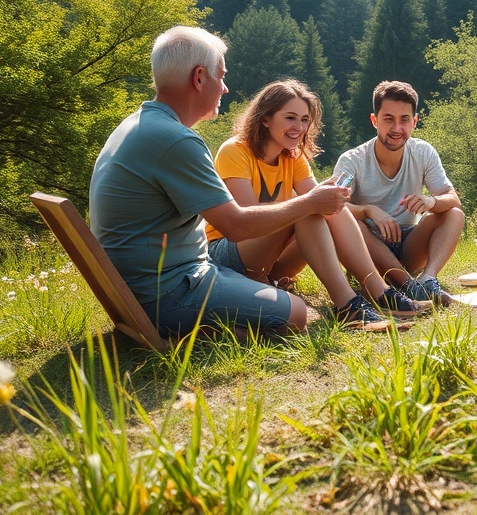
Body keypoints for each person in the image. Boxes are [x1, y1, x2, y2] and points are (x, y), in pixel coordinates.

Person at [90, 26, 345, 338]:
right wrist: (309, 202)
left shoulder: (138, 124)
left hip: (146, 283)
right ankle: (198, 332)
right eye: (221, 76)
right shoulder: (176, 140)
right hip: (166, 291)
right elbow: (235, 226)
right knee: (297, 314)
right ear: (199, 78)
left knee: (283, 301)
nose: (224, 88)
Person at [206, 79, 429, 330]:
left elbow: (323, 204)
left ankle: (380, 292)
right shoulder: (235, 151)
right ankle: (349, 307)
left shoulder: (293, 156)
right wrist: (310, 202)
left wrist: (330, 199)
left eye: (304, 120)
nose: (299, 127)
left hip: (271, 261)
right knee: (308, 208)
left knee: (324, 207)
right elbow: (247, 223)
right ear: (265, 118)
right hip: (229, 255)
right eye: (290, 118)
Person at [334, 80, 464, 306]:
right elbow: (332, 206)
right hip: (368, 251)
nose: (396, 128)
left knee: (454, 214)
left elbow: (453, 199)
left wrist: (431, 201)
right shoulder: (352, 160)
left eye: (404, 120)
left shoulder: (423, 152)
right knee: (355, 224)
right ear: (374, 120)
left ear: (414, 122)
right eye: (388, 119)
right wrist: (367, 210)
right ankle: (408, 286)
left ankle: (428, 279)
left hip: (409, 243)